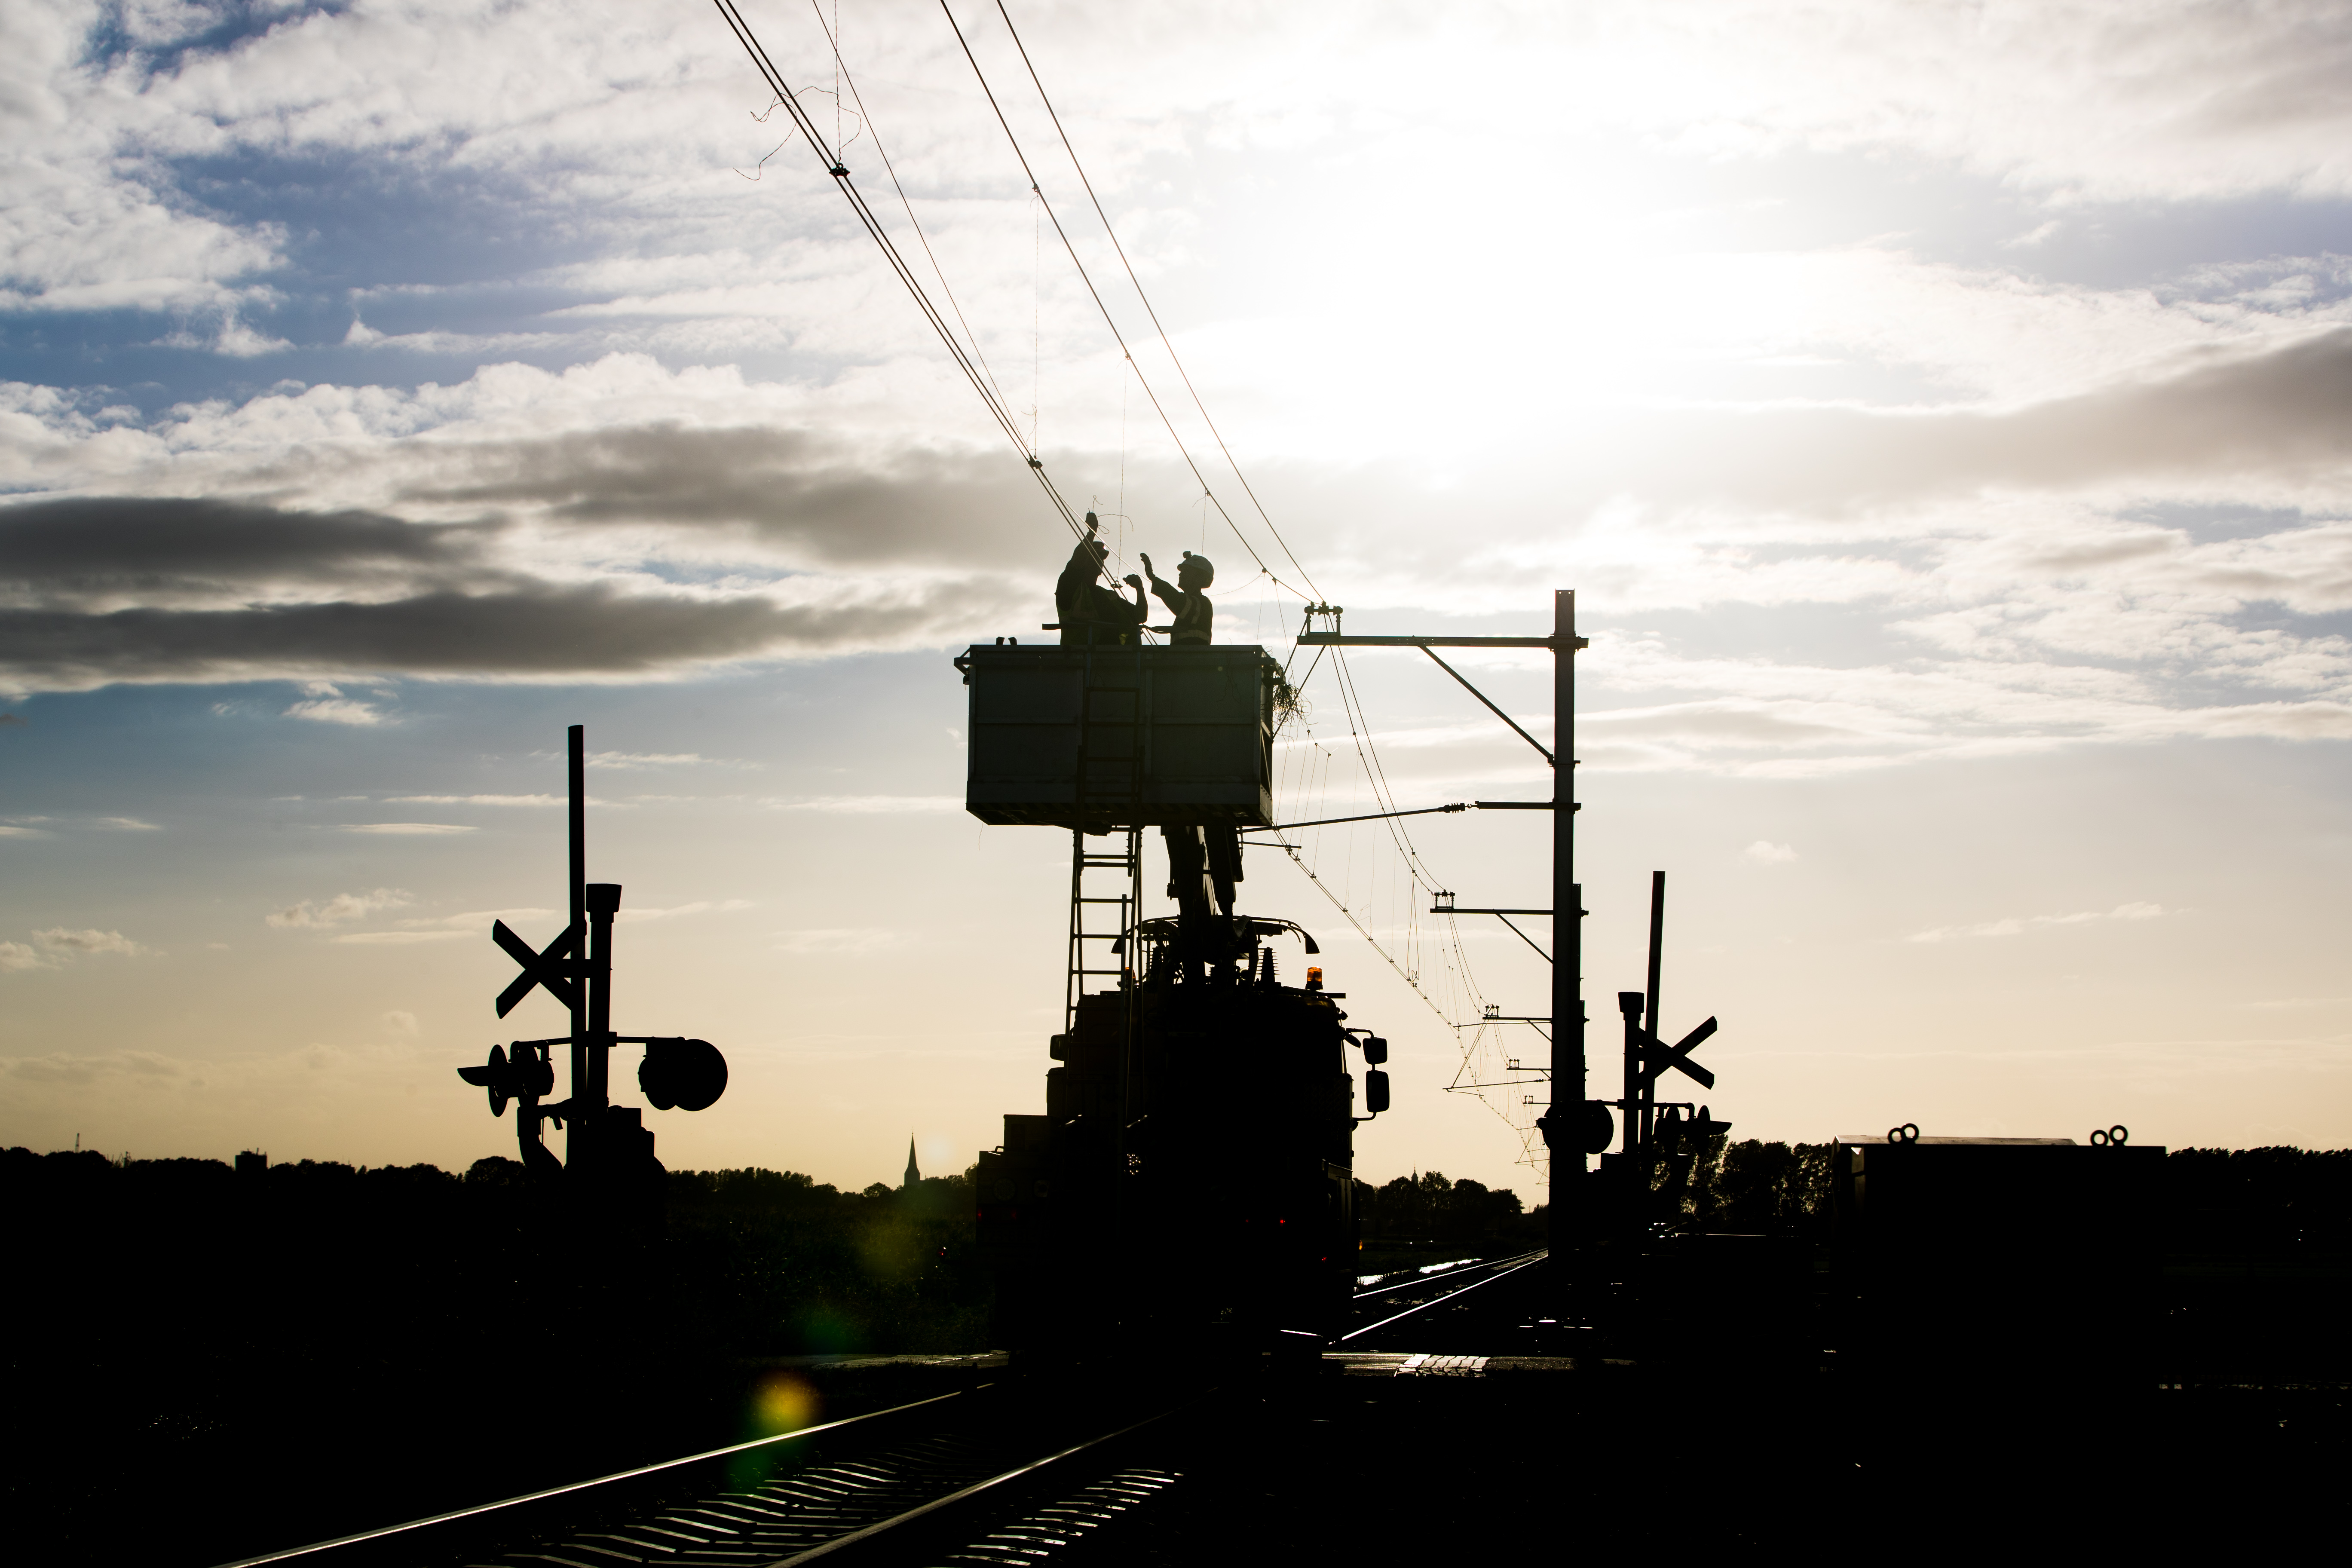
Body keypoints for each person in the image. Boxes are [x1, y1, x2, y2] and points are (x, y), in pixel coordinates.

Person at [1054, 514, 1146, 646]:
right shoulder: (1071, 590)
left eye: (1102, 558)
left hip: (1115, 660)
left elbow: (1140, 617)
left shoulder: (1109, 596)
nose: (1099, 561)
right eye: (1094, 557)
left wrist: (1140, 589)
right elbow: (1076, 563)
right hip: (1080, 659)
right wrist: (1092, 533)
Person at [1139, 549, 1214, 646]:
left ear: (1200, 578)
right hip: (1185, 657)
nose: (1180, 574)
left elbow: (1179, 603)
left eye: (1186, 571)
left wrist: (1153, 578)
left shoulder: (1203, 603)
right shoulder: (1194, 603)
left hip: (1191, 658)